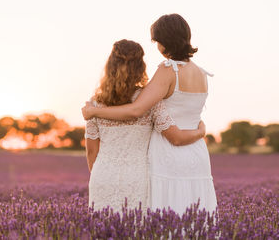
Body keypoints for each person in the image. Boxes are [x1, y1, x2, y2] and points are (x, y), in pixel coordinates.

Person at [83, 14, 217, 214]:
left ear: (165, 41)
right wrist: (200, 133)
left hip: (168, 151)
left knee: (168, 214)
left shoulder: (167, 69)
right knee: (194, 211)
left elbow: (136, 109)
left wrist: (94, 111)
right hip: (196, 152)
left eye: (157, 41)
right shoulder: (202, 74)